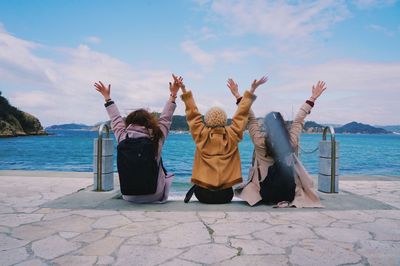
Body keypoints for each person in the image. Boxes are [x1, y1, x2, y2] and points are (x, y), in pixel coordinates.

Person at [227, 79, 326, 208]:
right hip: (288, 192)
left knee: (252, 187)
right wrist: (312, 98)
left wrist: (238, 95)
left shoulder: (260, 142)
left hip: (265, 192)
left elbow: (250, 118)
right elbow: (298, 120)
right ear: (283, 125)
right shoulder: (291, 141)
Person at [94, 75, 182, 203]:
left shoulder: (123, 138)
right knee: (164, 172)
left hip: (128, 196)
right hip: (154, 195)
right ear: (150, 122)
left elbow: (116, 119)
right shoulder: (156, 139)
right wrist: (173, 94)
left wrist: (107, 98)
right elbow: (166, 118)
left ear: (129, 122)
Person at [179, 76, 268, 204]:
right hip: (225, 196)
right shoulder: (232, 134)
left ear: (207, 120)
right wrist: (251, 90)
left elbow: (192, 114)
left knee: (199, 186)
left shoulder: (201, 134)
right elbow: (242, 113)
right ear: (225, 119)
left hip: (203, 195)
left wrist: (184, 89)